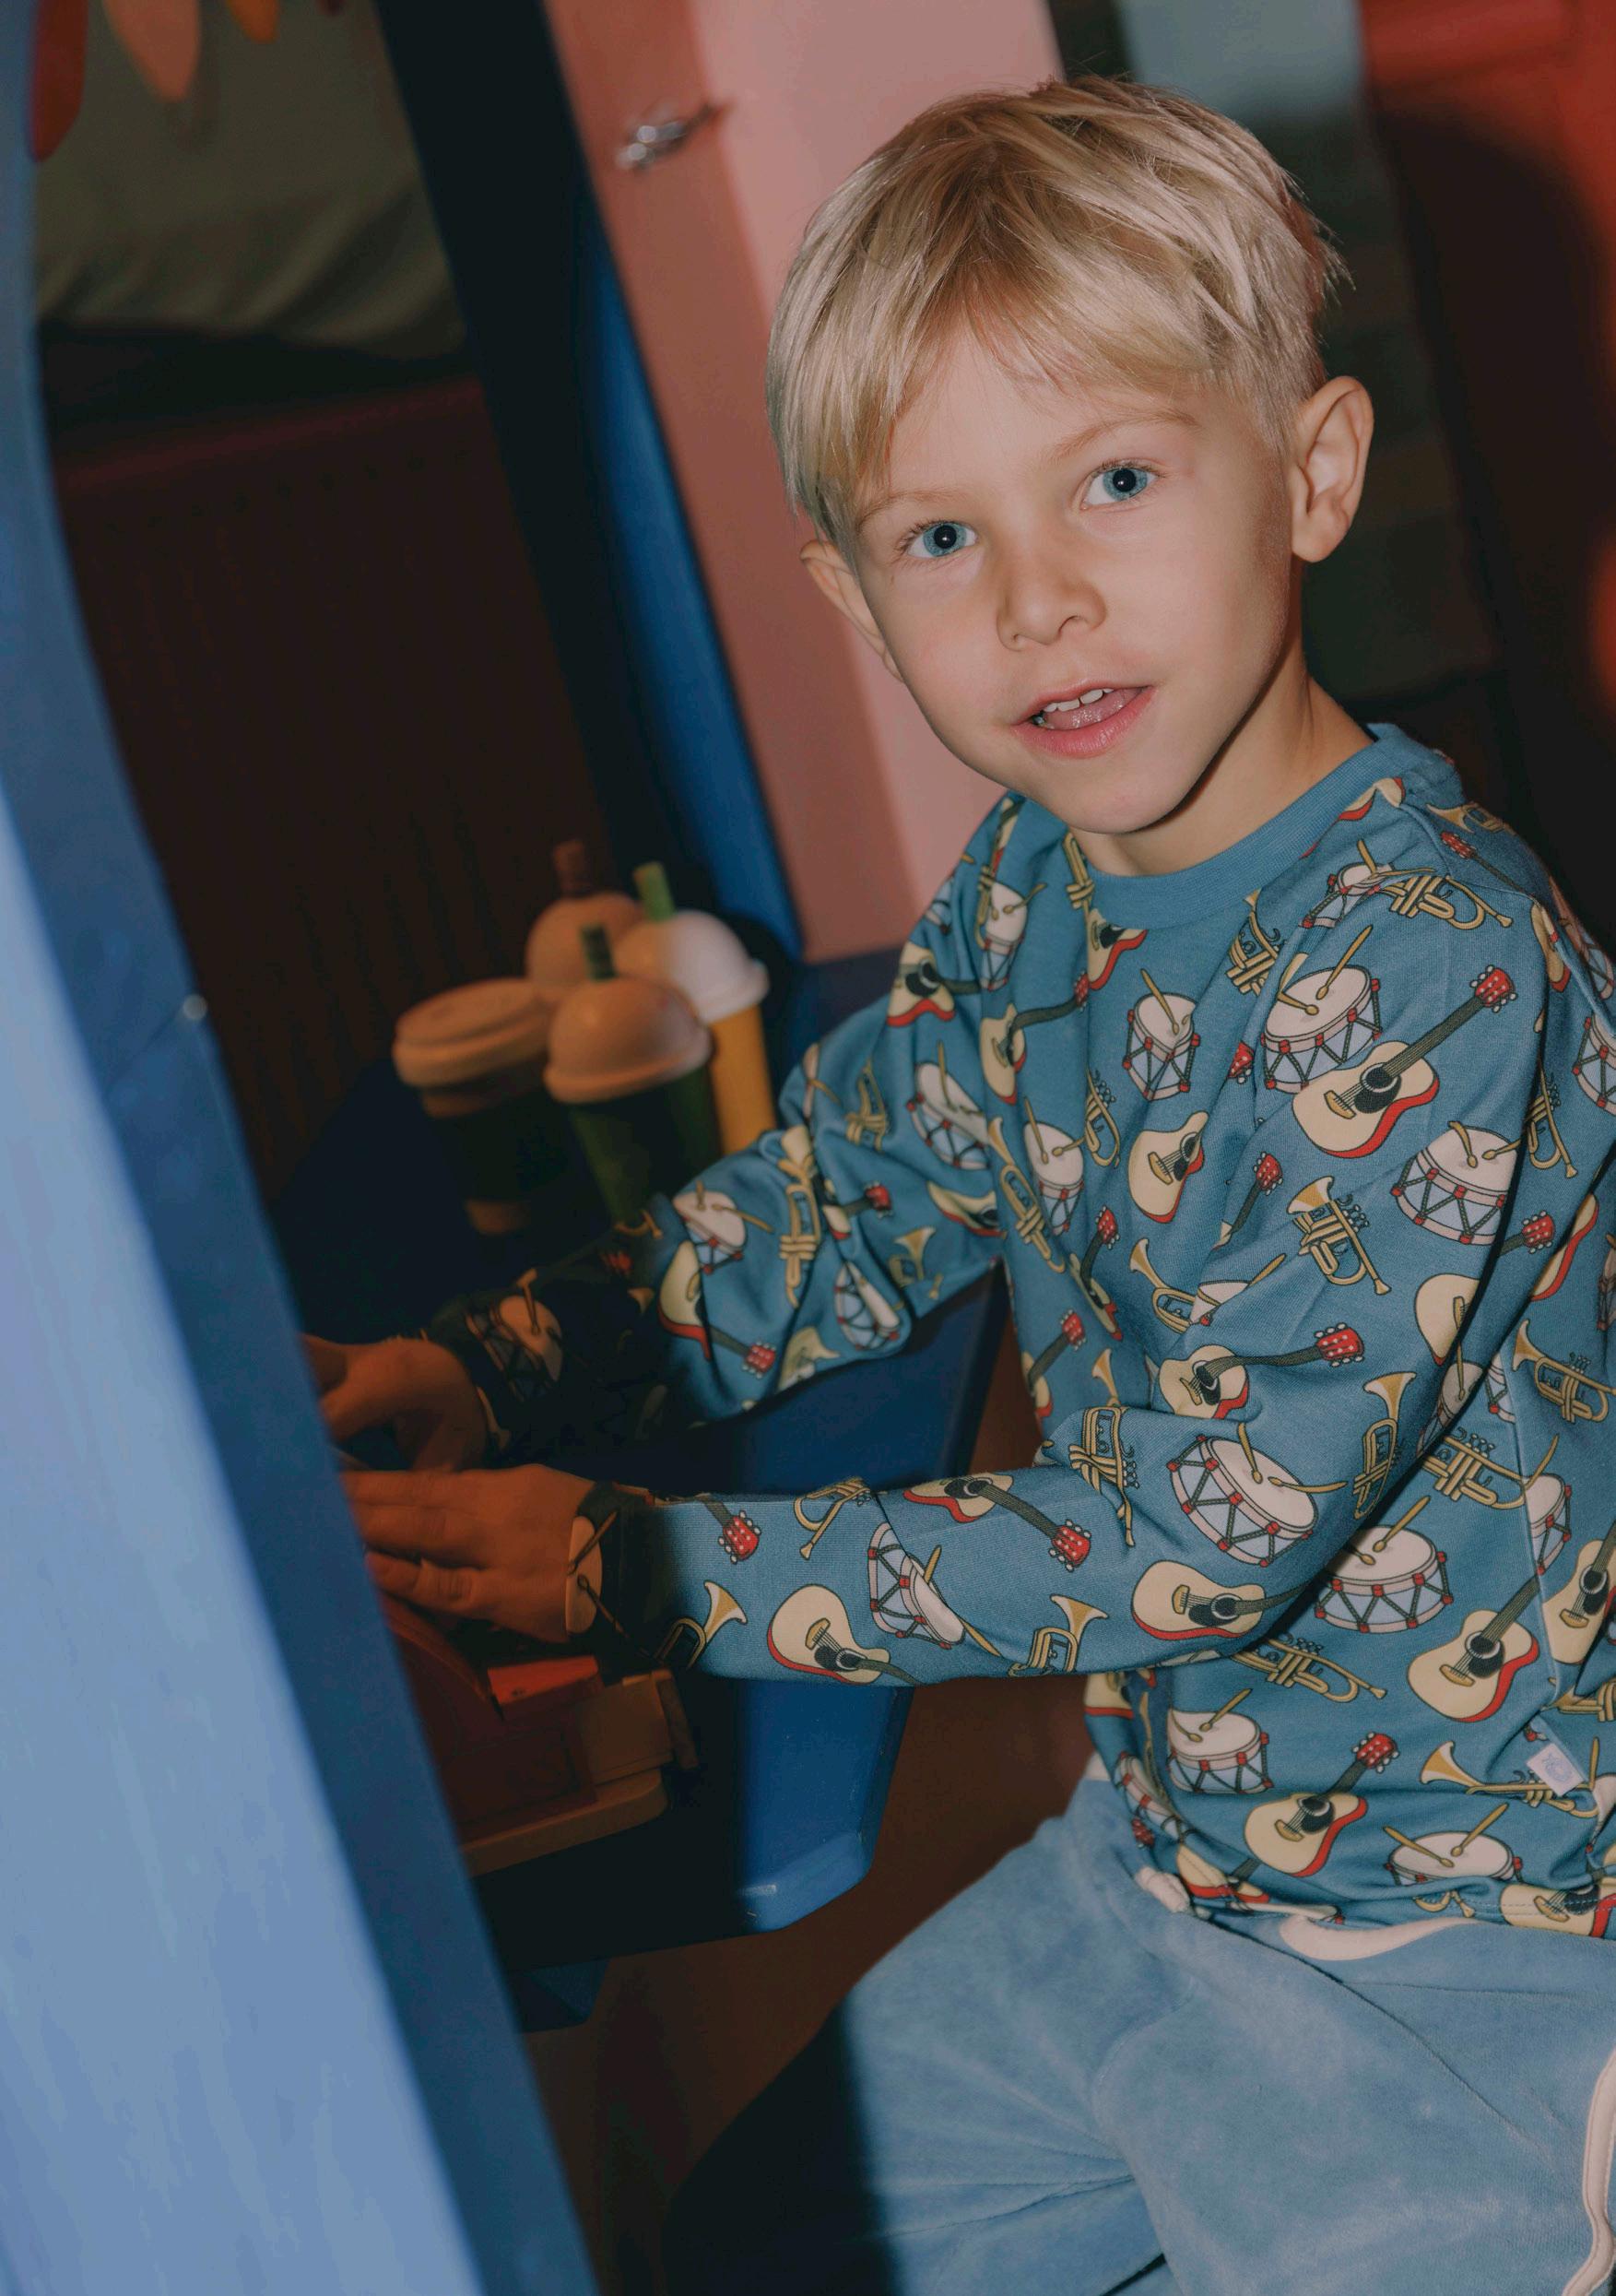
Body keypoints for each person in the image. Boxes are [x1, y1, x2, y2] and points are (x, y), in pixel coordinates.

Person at [310, 76, 1616, 2295]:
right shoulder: (1032, 883)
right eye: (939, 539)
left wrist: (636, 1569)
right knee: (751, 2257)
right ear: (848, 590)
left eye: (1114, 479)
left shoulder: (1436, 962)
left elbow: (1198, 1536)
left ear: (1310, 473)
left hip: (1460, 1949)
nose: (1037, 601)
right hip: (1156, 1867)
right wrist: (491, 1365)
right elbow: (846, 1201)